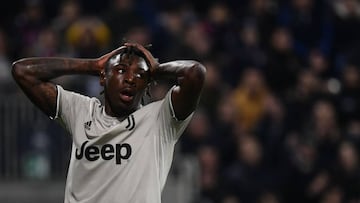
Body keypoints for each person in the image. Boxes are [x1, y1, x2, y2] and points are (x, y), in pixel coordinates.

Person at [12, 42, 206, 203]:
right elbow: (22, 72)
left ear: (147, 86)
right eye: (121, 70)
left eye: (140, 74)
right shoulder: (81, 111)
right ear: (103, 78)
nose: (130, 78)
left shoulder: (160, 120)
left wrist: (155, 68)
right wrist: (93, 65)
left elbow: (195, 73)